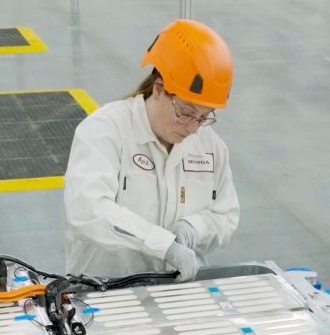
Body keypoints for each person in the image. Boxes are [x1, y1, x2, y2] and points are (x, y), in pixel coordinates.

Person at [63, 19, 238, 282]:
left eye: (204, 117)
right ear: (158, 89)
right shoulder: (105, 130)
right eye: (186, 112)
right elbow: (88, 210)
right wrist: (162, 244)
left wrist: (193, 228)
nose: (193, 128)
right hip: (104, 290)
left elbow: (225, 214)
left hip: (177, 291)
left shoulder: (210, 146)